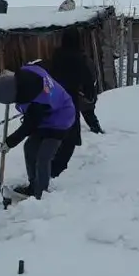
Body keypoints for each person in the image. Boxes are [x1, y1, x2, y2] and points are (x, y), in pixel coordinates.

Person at [0, 61, 75, 199]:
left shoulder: (37, 99)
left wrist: (9, 142)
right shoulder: (27, 73)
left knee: (43, 157)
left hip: (61, 118)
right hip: (45, 116)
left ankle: (41, 194)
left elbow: (28, 126)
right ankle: (33, 186)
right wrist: (9, 77)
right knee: (30, 148)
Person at [46, 27, 100, 177]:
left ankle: (46, 166)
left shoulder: (57, 55)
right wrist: (90, 95)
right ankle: (53, 170)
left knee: (54, 132)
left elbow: (50, 74)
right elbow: (87, 80)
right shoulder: (79, 58)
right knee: (70, 138)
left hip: (54, 98)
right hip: (69, 100)